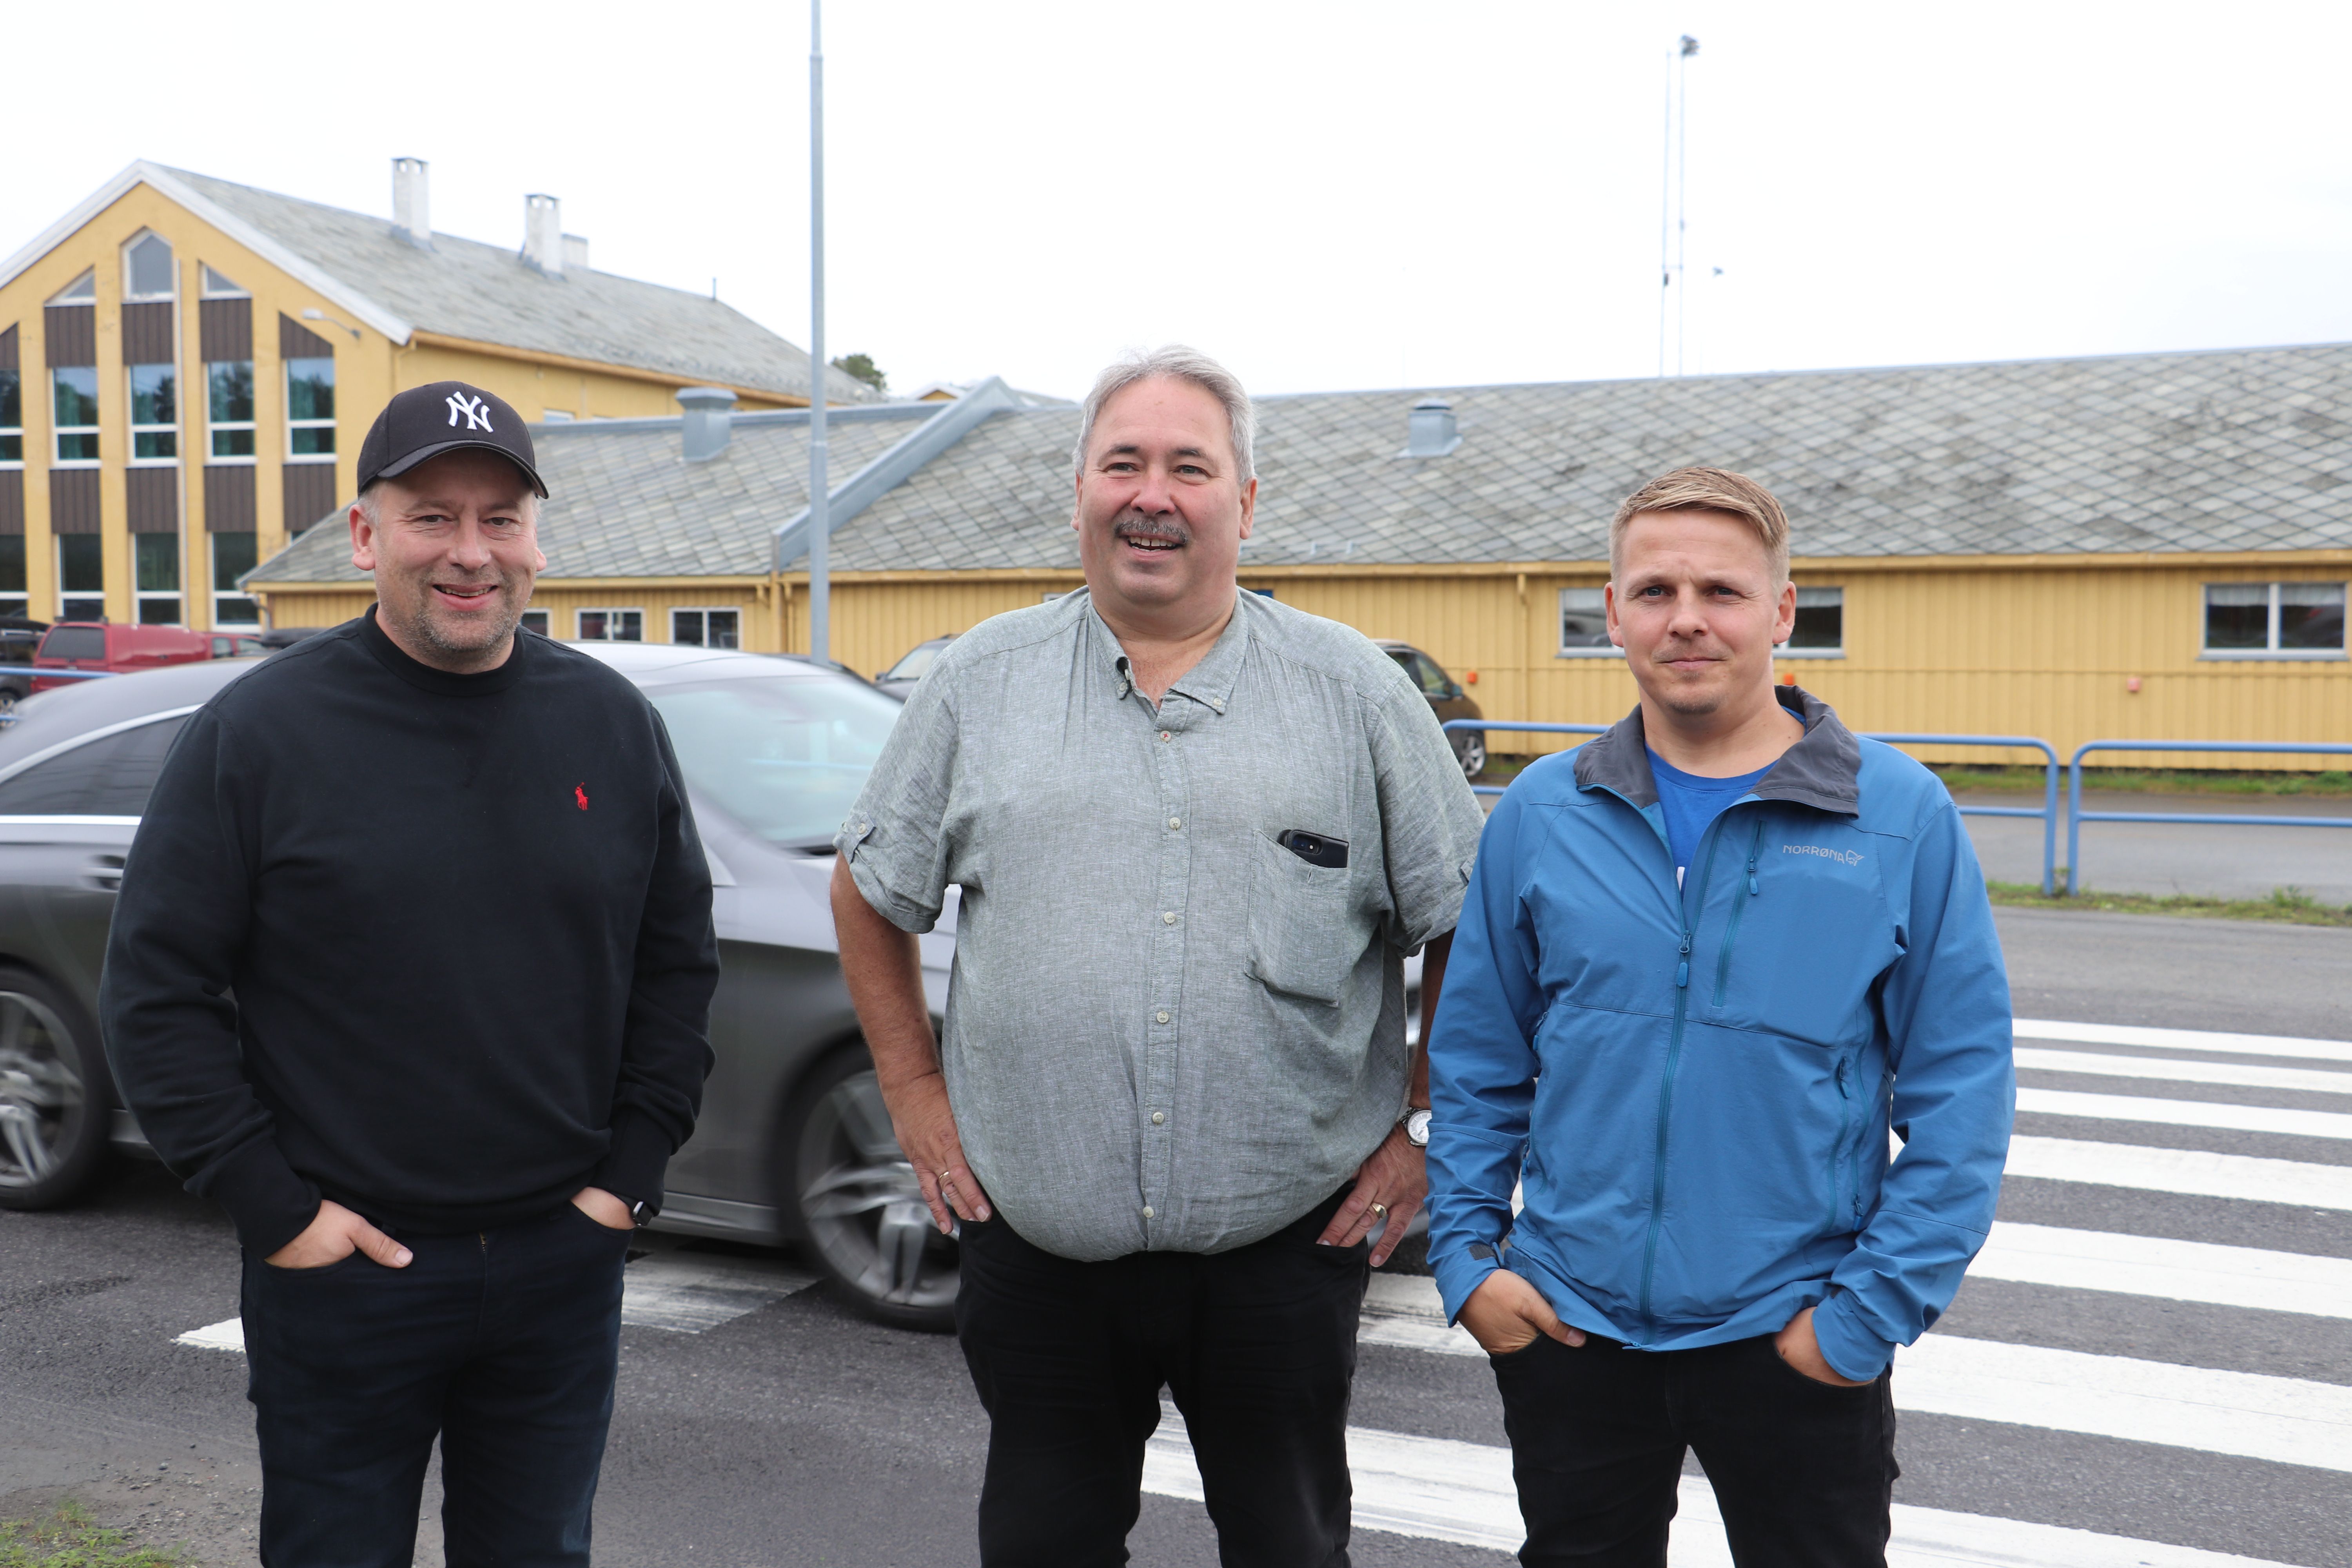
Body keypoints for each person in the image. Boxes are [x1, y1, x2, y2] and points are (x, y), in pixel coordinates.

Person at [832, 345, 1488, 1566]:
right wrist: (913, 1093)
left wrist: (1422, 1129)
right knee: (1043, 1547)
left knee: (1290, 1548)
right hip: (1038, 1247)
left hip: (1288, 1248)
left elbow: (1471, 918)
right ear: (1078, 490)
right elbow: (870, 889)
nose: (1152, 496)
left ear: (1245, 503)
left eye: (1190, 468)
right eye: (1122, 463)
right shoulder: (978, 687)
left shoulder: (1356, 696)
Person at [101, 381, 719, 1568]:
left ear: (536, 541)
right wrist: (276, 1210)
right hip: (345, 1273)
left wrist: (625, 1184)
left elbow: (675, 960)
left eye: (500, 520)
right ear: (366, 536)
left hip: (559, 1266)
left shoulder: (611, 724)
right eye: (433, 517)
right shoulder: (260, 734)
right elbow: (156, 989)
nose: (470, 553)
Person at [1425, 467, 2015, 1568]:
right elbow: (1476, 1061)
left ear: (1782, 612)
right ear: (1614, 614)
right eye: (1655, 591)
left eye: (1722, 591)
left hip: (1795, 1332)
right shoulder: (1542, 812)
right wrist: (1467, 1262)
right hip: (1571, 1326)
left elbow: (1963, 1096)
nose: (1687, 619)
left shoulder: (1898, 817)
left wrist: (1861, 1321)